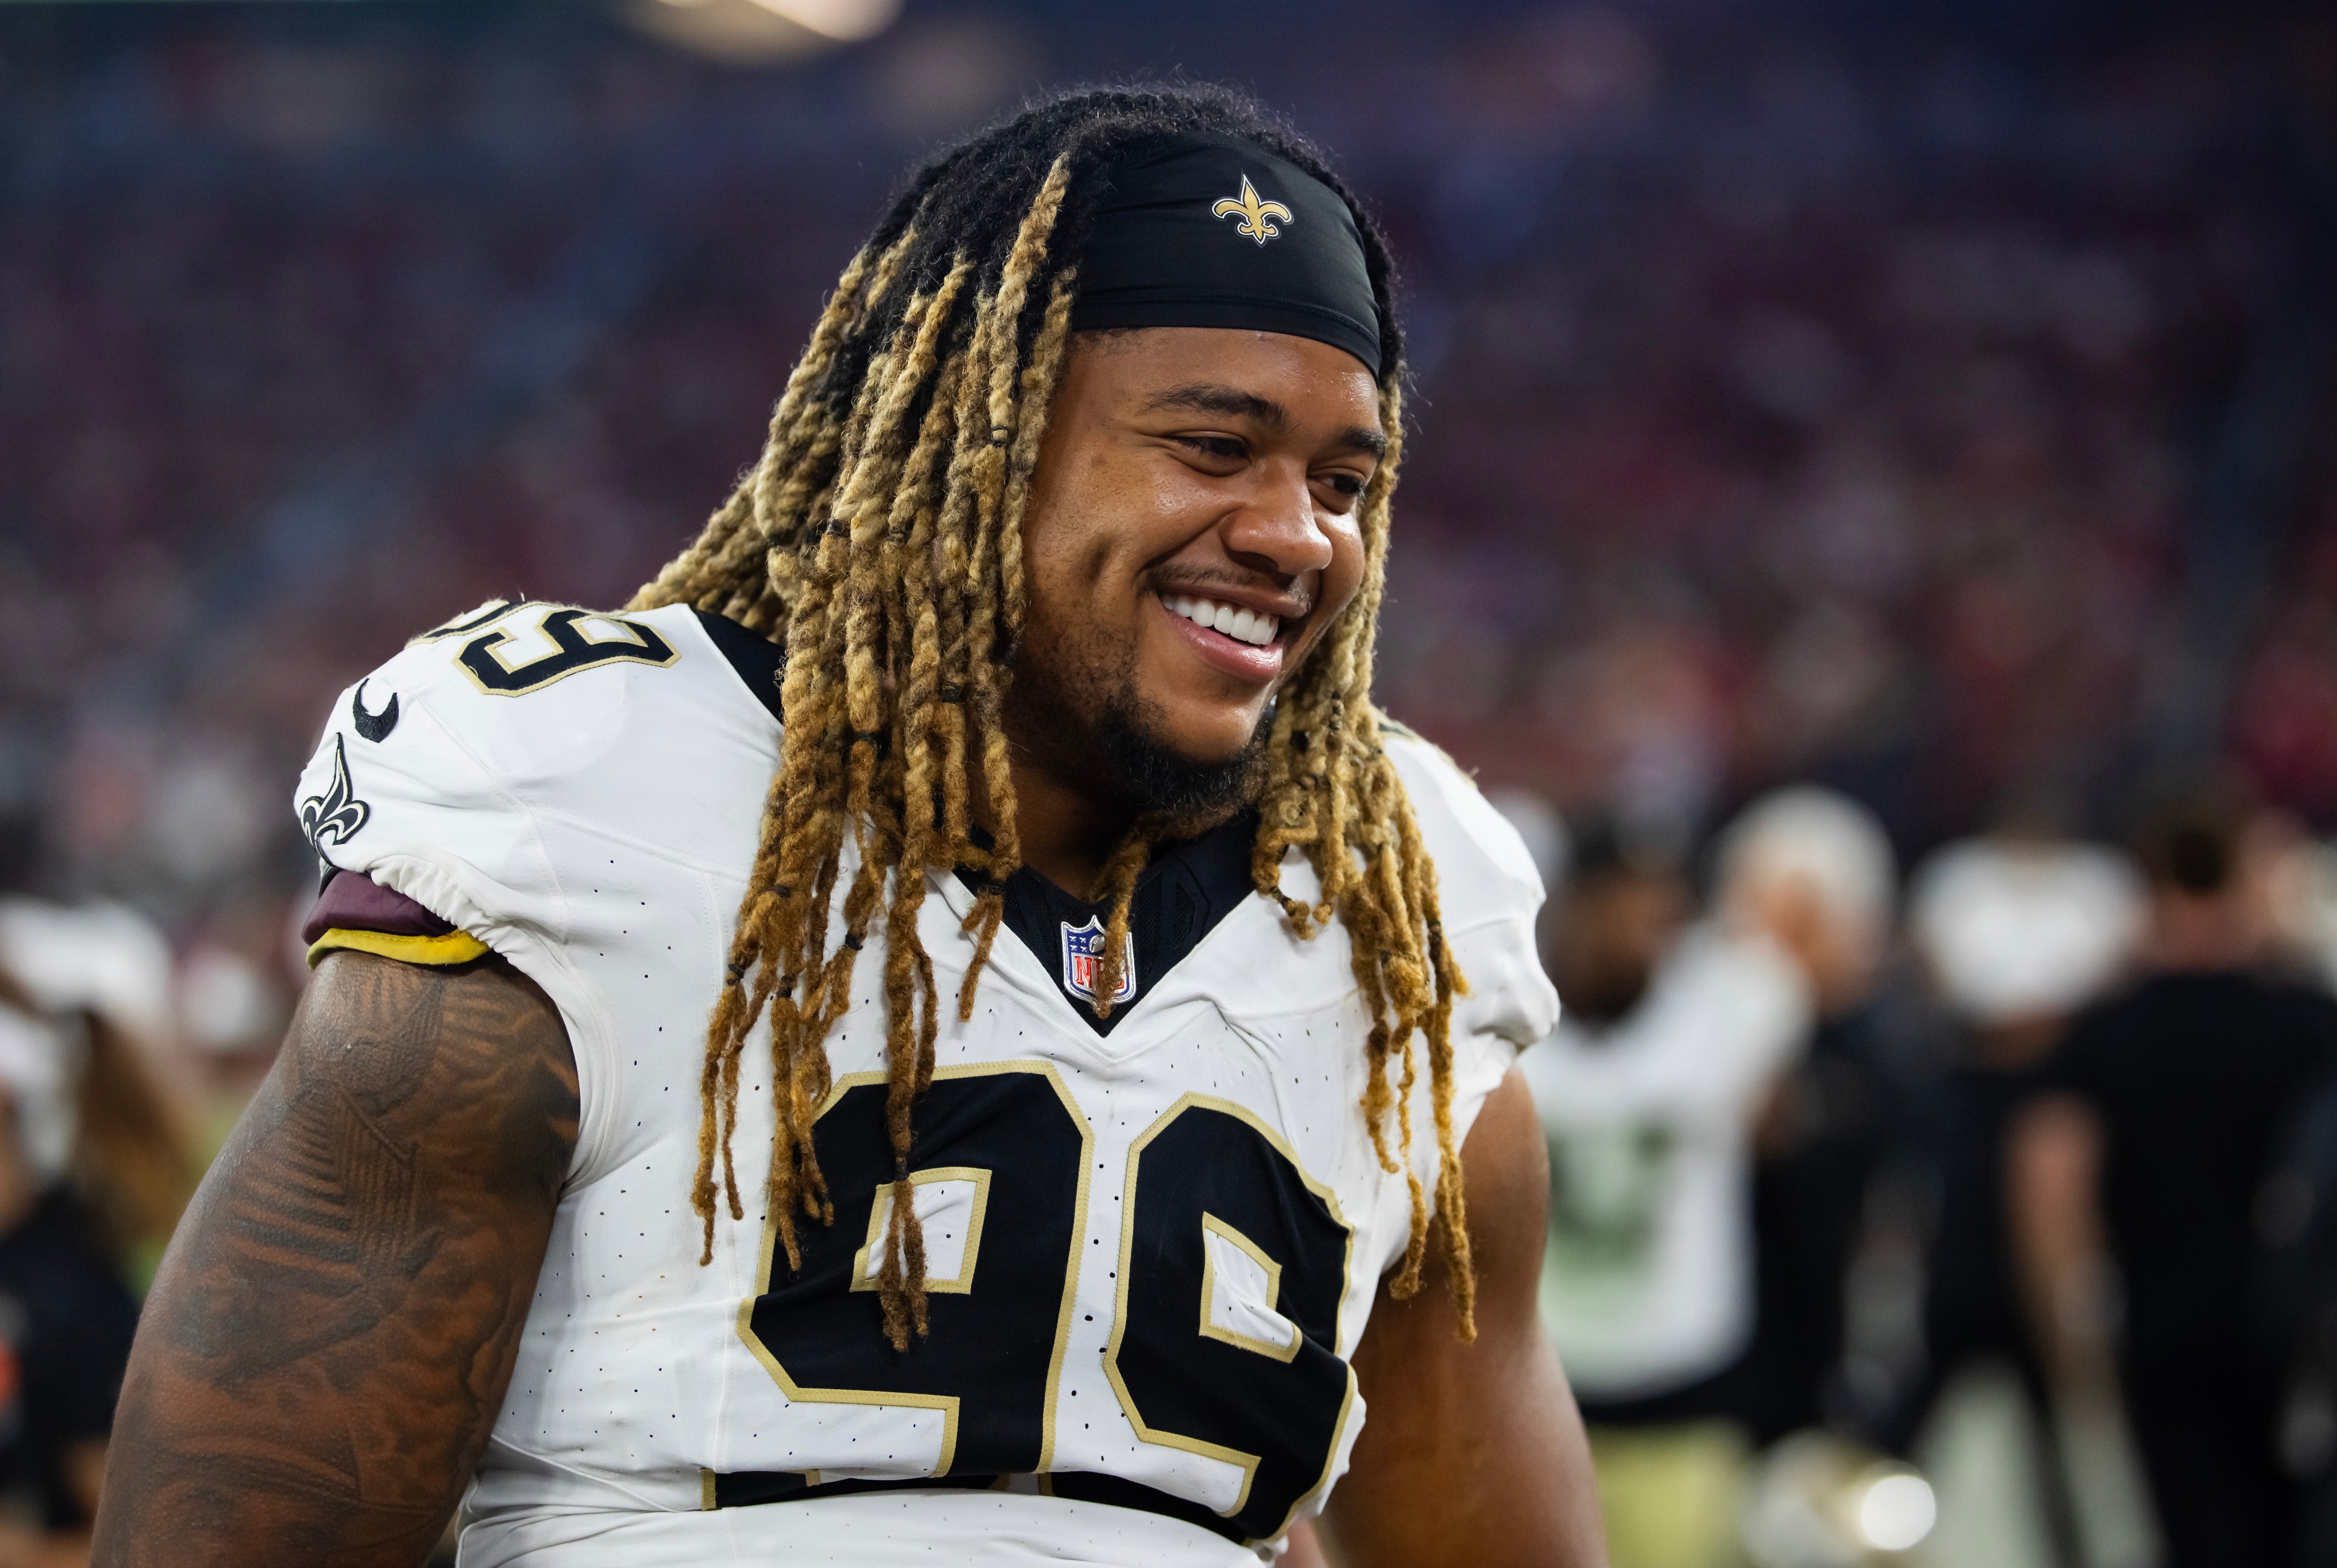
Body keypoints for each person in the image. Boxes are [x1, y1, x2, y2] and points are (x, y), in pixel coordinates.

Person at [92, 88, 1606, 1568]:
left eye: (1344, 481)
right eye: (1214, 449)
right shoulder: (596, 785)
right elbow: (245, 1518)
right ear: (979, 435)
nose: (1298, 536)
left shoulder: (1400, 901)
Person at [2010, 792, 2337, 1568]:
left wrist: (2071, 1352)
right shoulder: (2305, 1020)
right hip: (2290, 1339)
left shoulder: (2104, 1031)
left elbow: (2048, 1187)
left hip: (2160, 1329)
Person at [1518, 810, 1815, 1568]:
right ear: (1574, 903)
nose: (1647, 925)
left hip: (1684, 1388)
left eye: (1662, 904)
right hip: (1533, 1394)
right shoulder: (1499, 1000)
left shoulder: (1737, 1002)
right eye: (1626, 900)